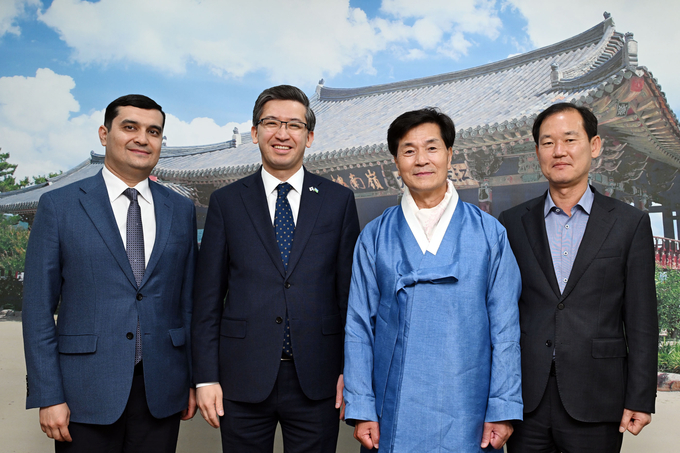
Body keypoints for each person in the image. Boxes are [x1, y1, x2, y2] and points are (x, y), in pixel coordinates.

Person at [22, 94, 197, 452]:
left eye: (153, 131)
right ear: (104, 134)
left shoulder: (181, 209)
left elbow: (188, 302)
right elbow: (37, 309)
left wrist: (192, 379)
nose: (142, 139)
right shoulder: (59, 206)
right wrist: (48, 394)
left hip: (162, 389)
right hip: (84, 391)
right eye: (130, 127)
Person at [343, 108, 523, 452]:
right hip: (391, 406)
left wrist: (502, 408)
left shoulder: (489, 233)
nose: (421, 160)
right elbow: (358, 327)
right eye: (409, 150)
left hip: (469, 403)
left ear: (450, 154)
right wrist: (361, 406)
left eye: (432, 148)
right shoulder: (375, 236)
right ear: (396, 161)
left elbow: (505, 328)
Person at [192, 84, 360, 452]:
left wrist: (353, 371)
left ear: (309, 137)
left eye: (294, 125)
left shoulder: (338, 201)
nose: (282, 134)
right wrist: (205, 377)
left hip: (319, 376)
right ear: (255, 133)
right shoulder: (226, 202)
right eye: (271, 123)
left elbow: (350, 297)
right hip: (241, 377)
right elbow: (206, 300)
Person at [498, 102, 658, 452]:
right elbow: (500, 312)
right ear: (537, 152)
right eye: (548, 142)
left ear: (594, 145)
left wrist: (641, 397)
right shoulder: (511, 223)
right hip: (526, 398)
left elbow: (642, 319)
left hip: (598, 395)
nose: (559, 151)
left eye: (570, 139)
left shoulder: (629, 223)